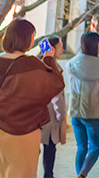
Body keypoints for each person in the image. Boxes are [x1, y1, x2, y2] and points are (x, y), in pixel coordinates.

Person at [0, 18, 65, 178]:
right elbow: (55, 84)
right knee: (22, 171)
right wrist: (49, 57)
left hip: (0, 126)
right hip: (27, 130)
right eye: (33, 36)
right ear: (26, 39)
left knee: (1, 168)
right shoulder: (33, 65)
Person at [67, 32, 99, 178]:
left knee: (81, 147)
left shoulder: (74, 62)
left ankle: (79, 174)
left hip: (75, 111)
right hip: (92, 113)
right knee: (94, 148)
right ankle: (83, 174)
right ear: (95, 45)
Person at [39, 36, 66, 178]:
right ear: (53, 49)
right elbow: (57, 95)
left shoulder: (39, 65)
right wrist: (61, 115)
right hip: (50, 116)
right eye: (60, 47)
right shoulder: (53, 68)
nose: (63, 50)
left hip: (39, 114)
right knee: (50, 149)